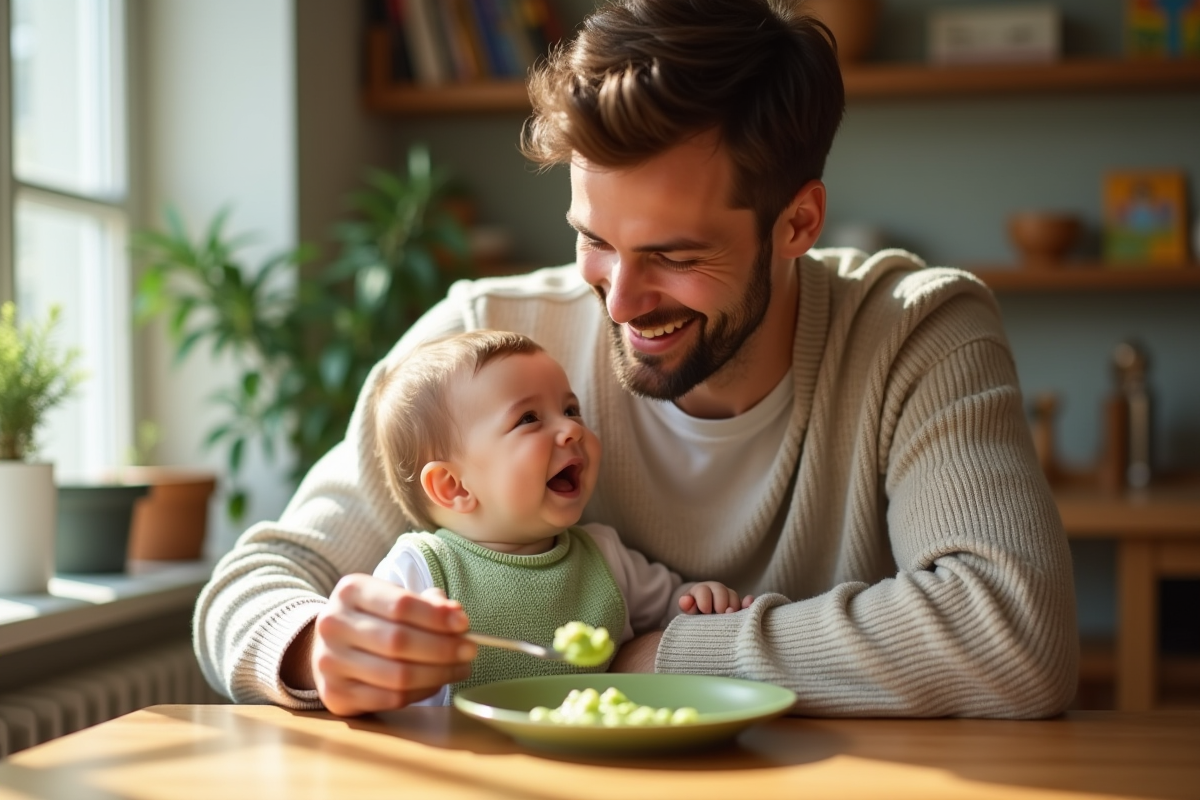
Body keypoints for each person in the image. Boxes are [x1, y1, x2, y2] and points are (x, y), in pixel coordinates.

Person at [194, 0, 1077, 718]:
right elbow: (254, 587)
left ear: (798, 223)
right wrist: (315, 647)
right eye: (595, 241)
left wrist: (659, 657)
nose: (618, 302)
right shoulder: (485, 341)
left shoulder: (917, 333)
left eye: (675, 256)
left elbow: (1013, 633)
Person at [368, 329, 752, 704]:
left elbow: (672, 608)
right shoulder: (418, 571)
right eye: (528, 419)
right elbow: (371, 662)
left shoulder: (603, 555)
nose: (571, 429)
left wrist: (700, 601)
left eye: (571, 410)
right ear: (454, 487)